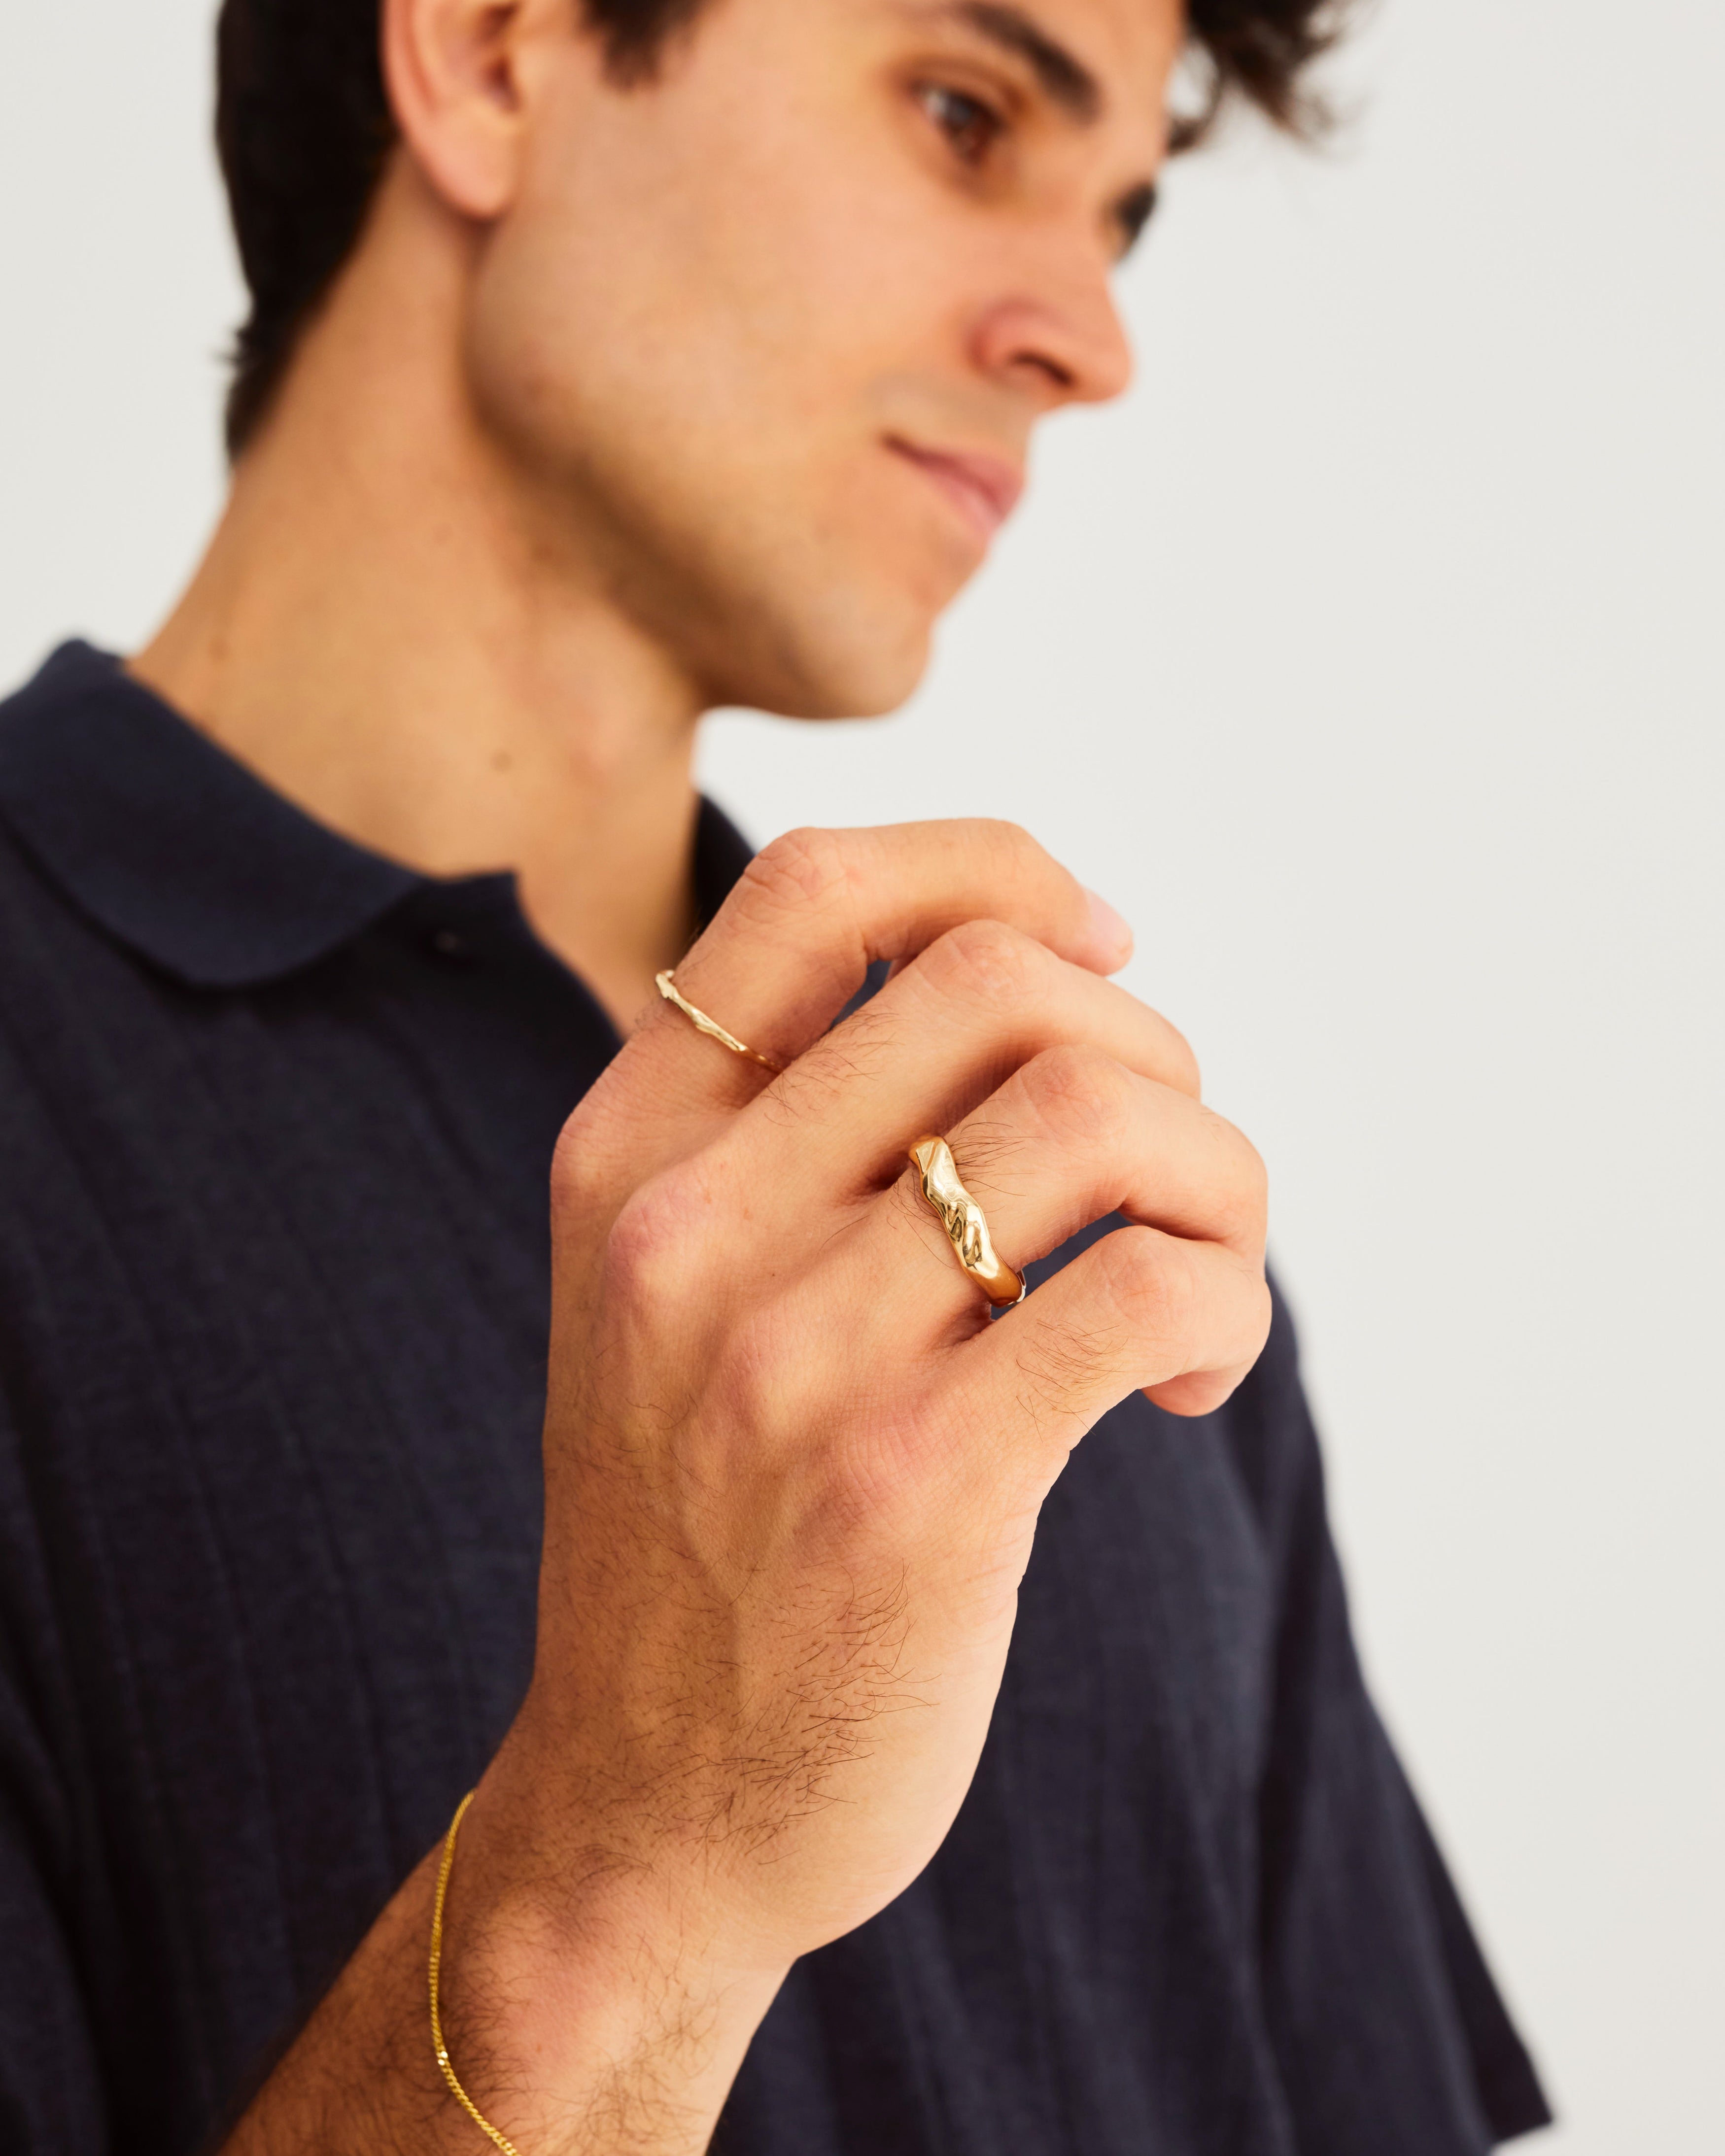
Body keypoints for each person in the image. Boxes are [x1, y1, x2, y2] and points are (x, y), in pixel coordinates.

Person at [0, 1, 1552, 2150]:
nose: (1088, 338)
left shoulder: (1074, 1199)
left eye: (1122, 213)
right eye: (962, 111)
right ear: (487, 53)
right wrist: (623, 1868)